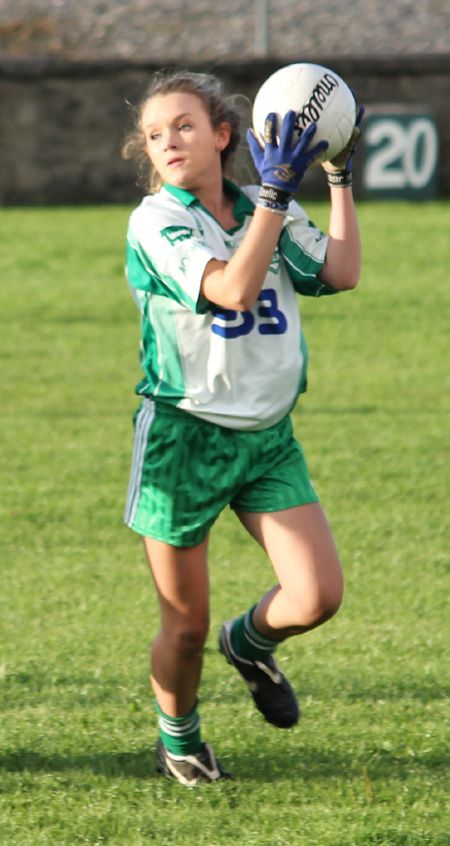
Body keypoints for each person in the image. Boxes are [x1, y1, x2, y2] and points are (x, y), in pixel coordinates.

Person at [121, 70, 363, 786]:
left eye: (185, 125)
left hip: (266, 440)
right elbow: (230, 288)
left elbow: (342, 272)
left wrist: (338, 174)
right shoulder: (154, 221)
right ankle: (181, 738)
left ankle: (249, 643)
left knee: (317, 597)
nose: (168, 140)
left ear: (225, 135)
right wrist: (278, 199)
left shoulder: (267, 206)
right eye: (155, 133)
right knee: (184, 625)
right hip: (182, 440)